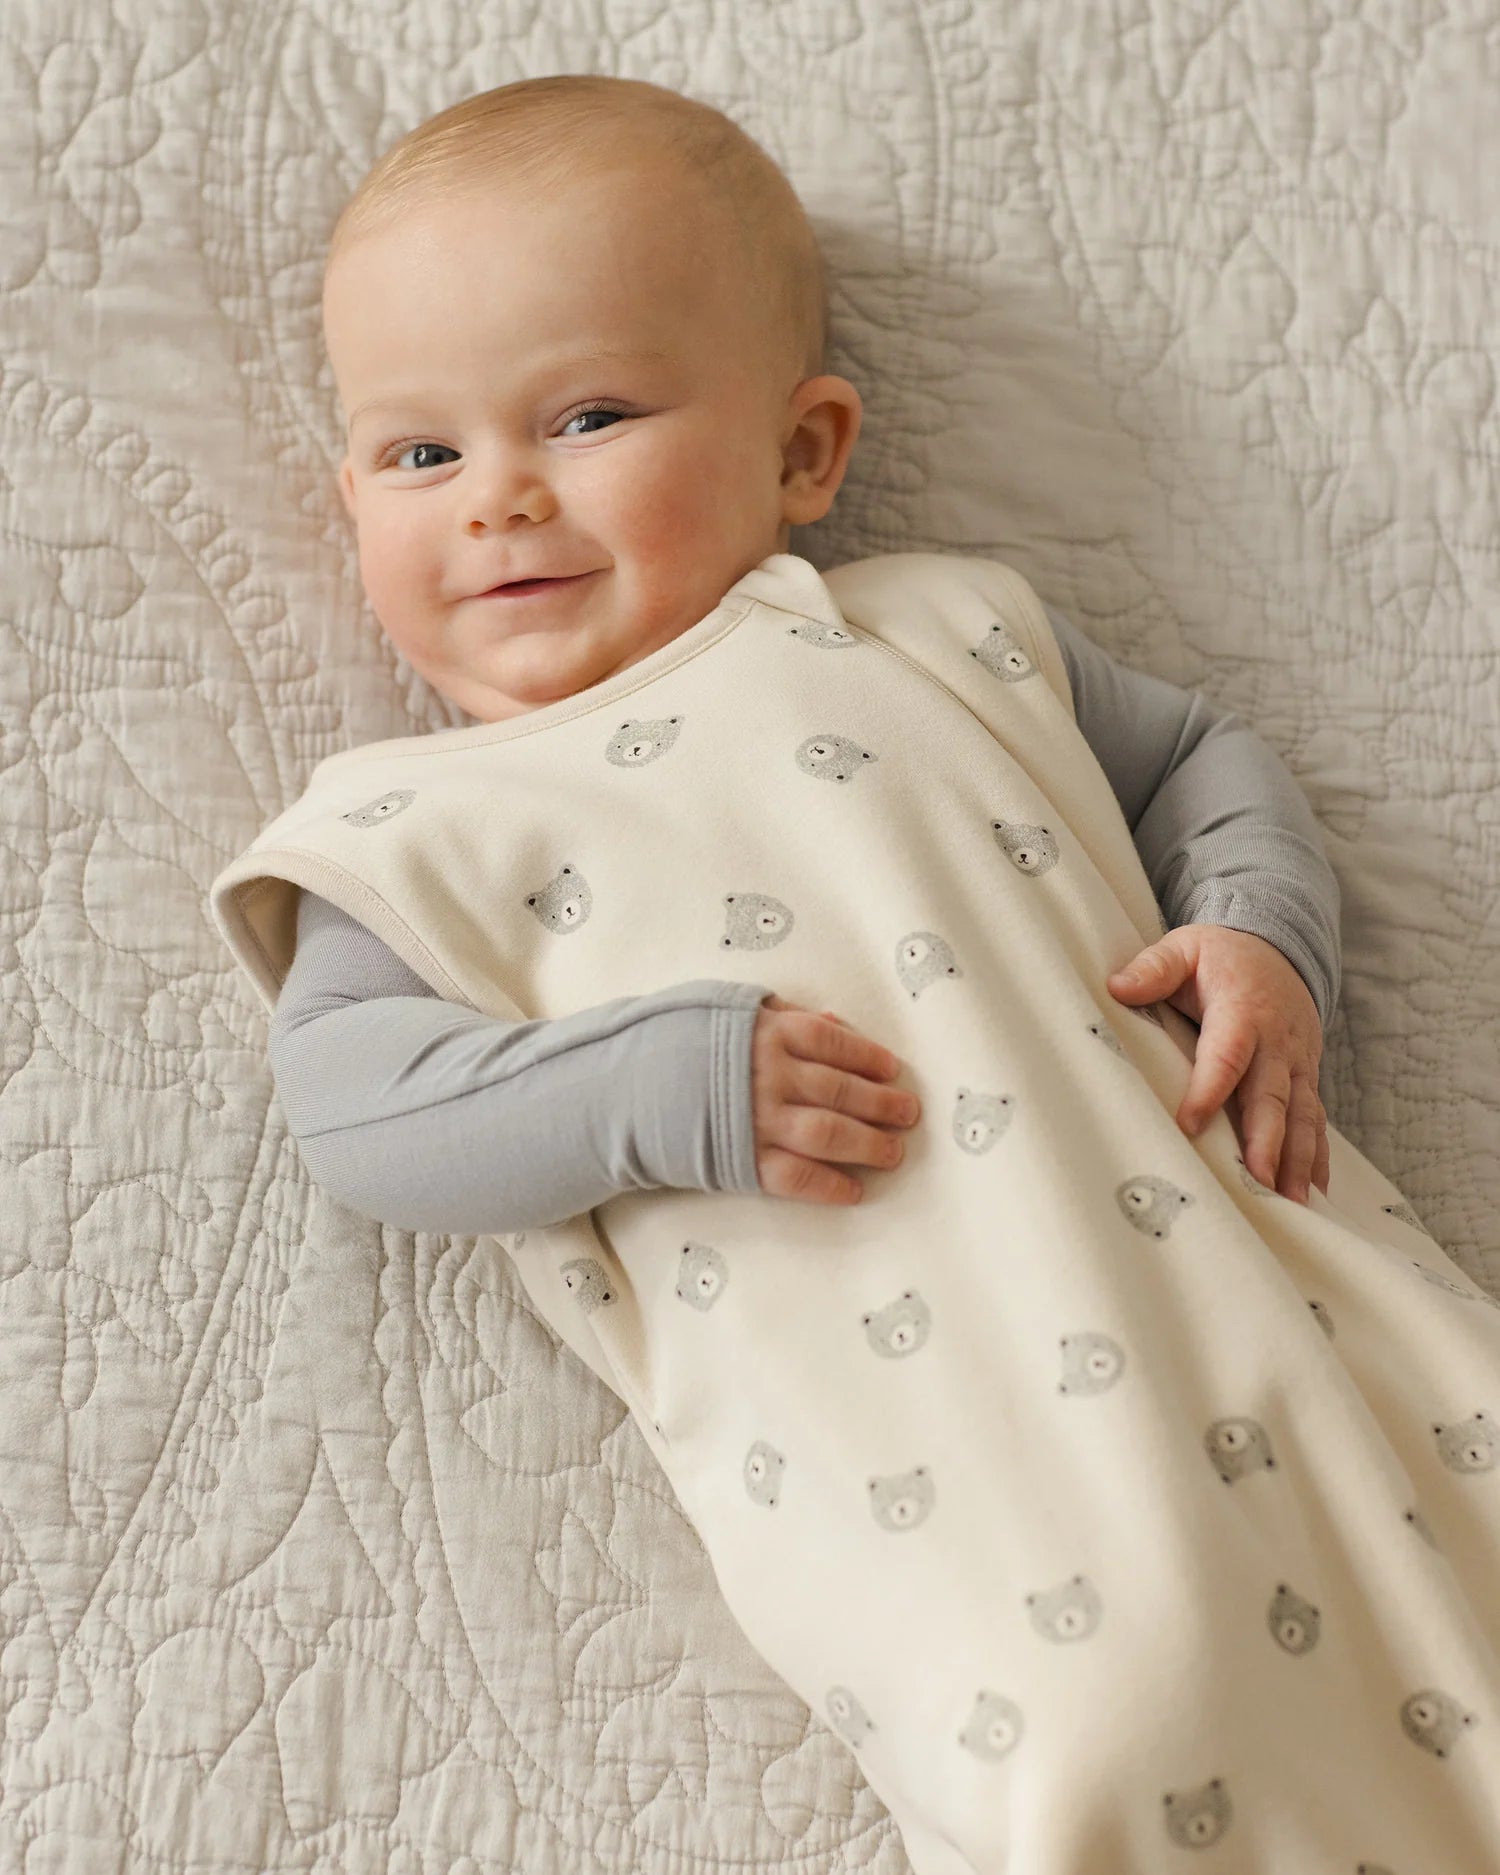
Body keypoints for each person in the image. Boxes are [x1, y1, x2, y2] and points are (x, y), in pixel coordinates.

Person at [211, 73, 1500, 1875]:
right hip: (950, 1453)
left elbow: (1201, 758)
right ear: (350, 494)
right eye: (422, 456)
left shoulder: (938, 626)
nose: (498, 497)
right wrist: (655, 1085)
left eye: (588, 417)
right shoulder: (413, 822)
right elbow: (351, 1103)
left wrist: (1260, 930)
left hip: (1275, 1277)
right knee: (1126, 1731)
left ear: (806, 452)